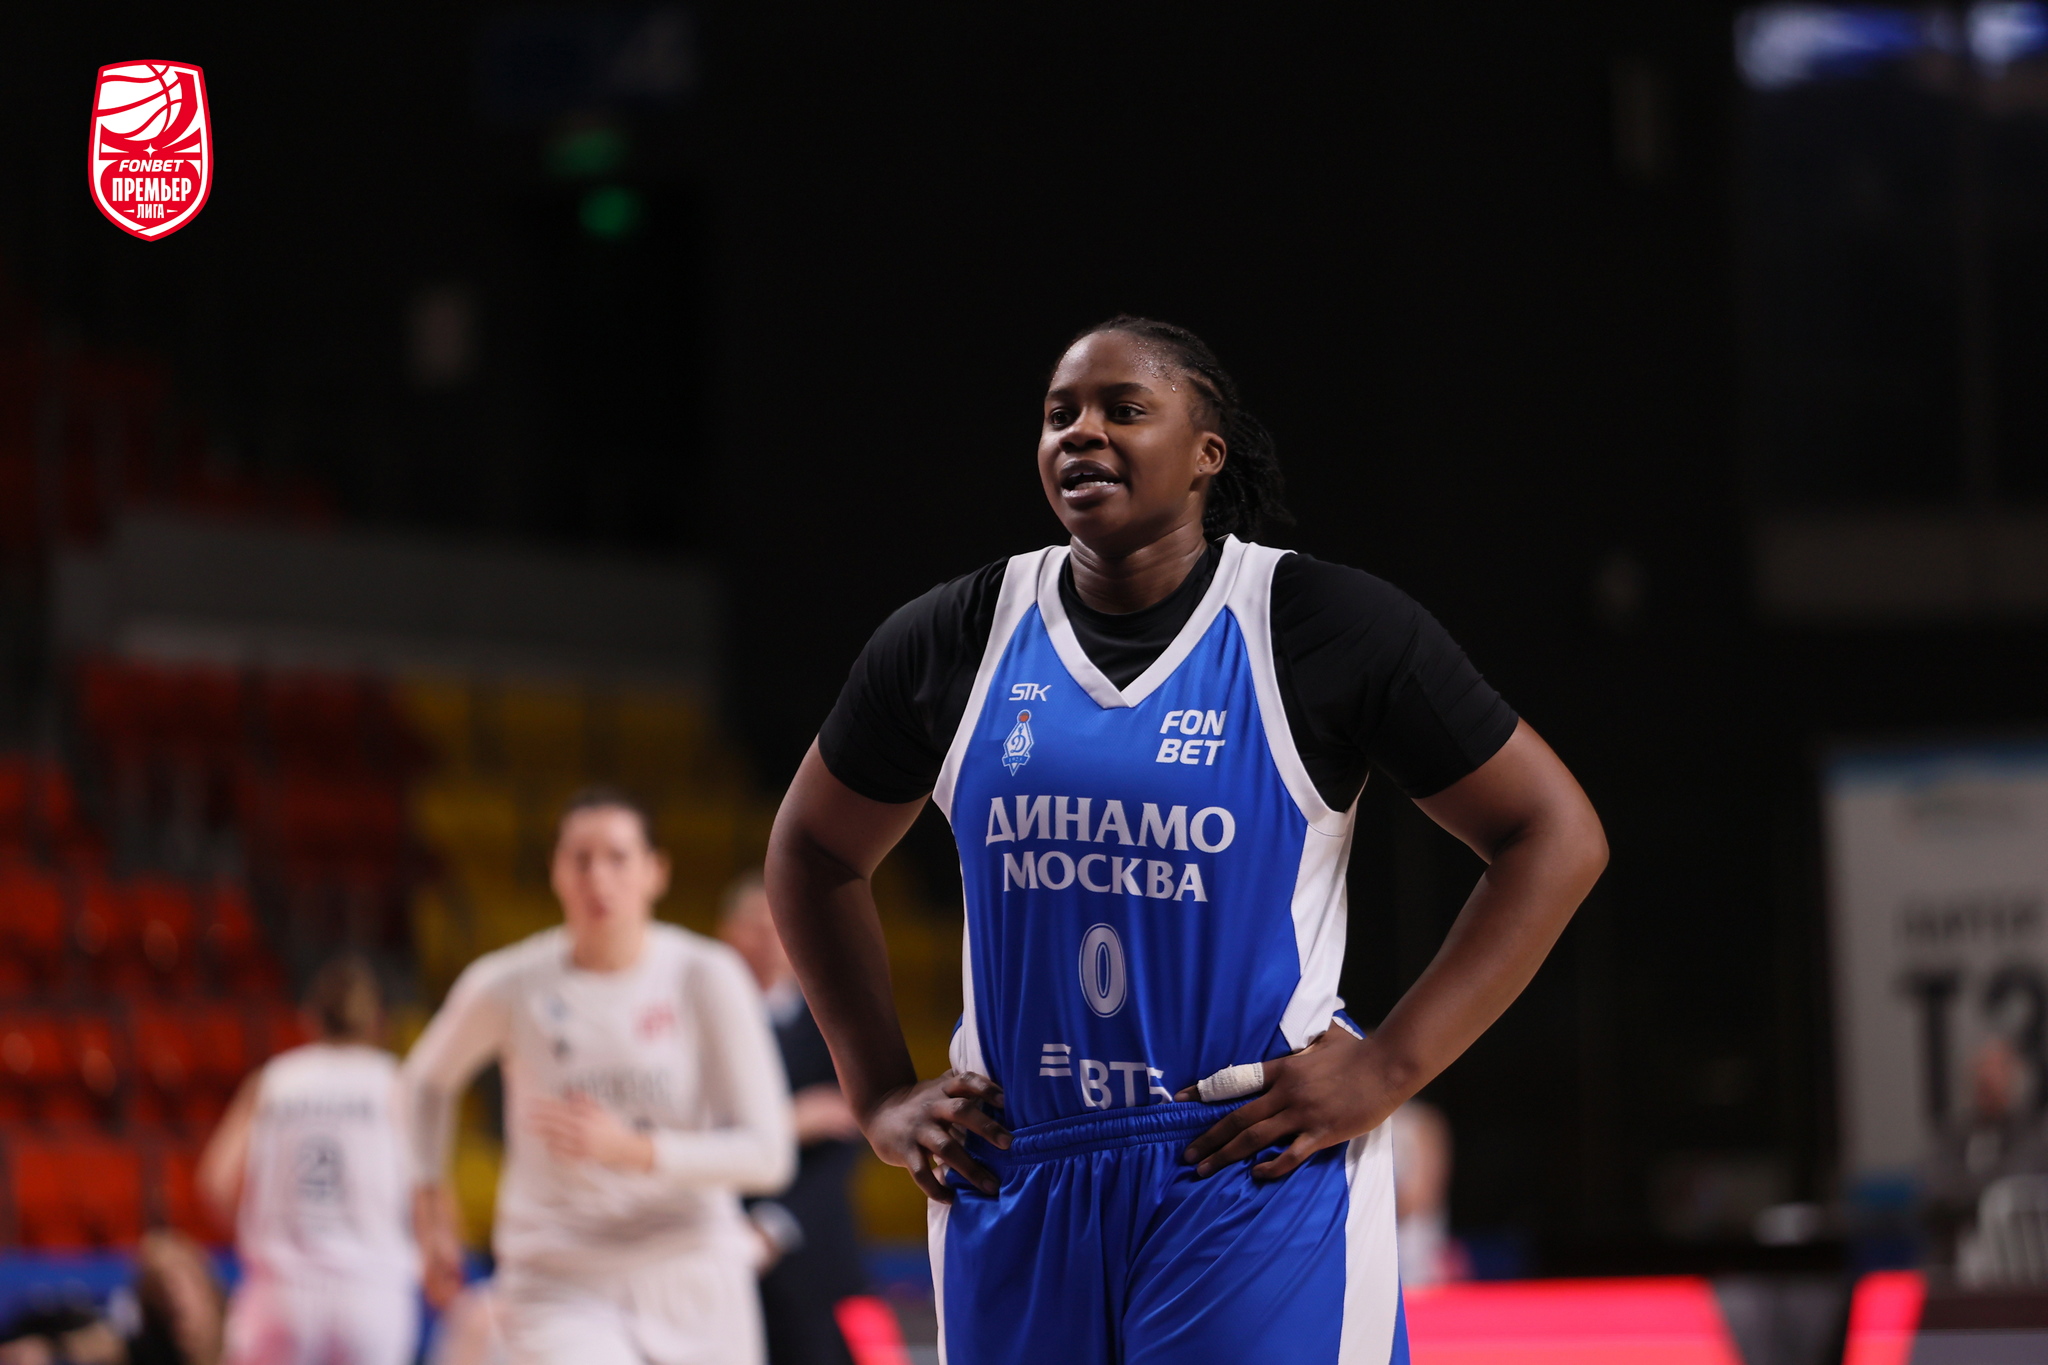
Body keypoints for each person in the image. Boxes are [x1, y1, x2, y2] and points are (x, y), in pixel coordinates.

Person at [765, 316, 1607, 1364]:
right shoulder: (957, 634)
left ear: (1207, 452)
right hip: (1017, 1166)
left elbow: (1553, 834)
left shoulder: (1315, 622)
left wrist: (1389, 1064)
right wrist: (880, 1093)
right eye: (1059, 415)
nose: (1080, 432)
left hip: (1243, 1162)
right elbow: (812, 851)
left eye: (1123, 409)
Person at [403, 788, 796, 1365]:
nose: (598, 878)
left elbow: (769, 1155)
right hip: (559, 1274)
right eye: (580, 859)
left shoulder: (706, 976)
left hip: (691, 1263)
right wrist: (430, 1202)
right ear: (556, 872)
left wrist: (633, 1150)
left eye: (617, 857)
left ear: (656, 871)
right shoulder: (509, 984)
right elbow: (424, 1082)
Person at [198, 955, 416, 1365]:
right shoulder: (397, 1084)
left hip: (280, 1290)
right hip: (370, 1288)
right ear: (379, 1022)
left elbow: (215, 1182)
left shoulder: (274, 1080)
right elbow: (427, 1189)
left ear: (309, 1019)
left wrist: (261, 1234)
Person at [718, 875, 870, 1365]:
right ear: (726, 933)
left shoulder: (835, 1022)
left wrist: (773, 1226)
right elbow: (689, 1133)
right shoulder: (700, 1021)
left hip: (811, 1262)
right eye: (753, 926)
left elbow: (844, 1141)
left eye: (778, 927)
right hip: (716, 1249)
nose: (767, 940)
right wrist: (787, 1123)